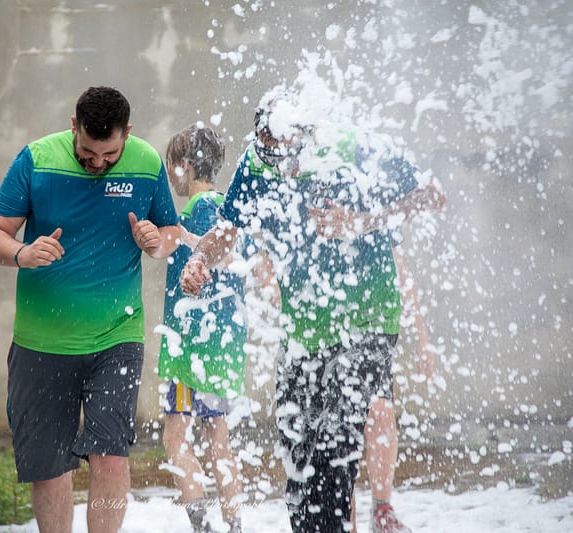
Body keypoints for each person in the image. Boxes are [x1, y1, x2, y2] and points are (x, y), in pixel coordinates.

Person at [180, 88, 445, 532]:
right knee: (298, 448)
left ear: (308, 134)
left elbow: (432, 195)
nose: (284, 168)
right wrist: (199, 258)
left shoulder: (353, 146)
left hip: (366, 320)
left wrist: (361, 221)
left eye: (290, 157)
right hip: (304, 330)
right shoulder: (255, 164)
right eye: (272, 155)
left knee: (334, 450)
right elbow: (228, 228)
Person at [0, 86, 181, 533]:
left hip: (117, 337)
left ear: (128, 134)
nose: (97, 162)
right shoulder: (36, 159)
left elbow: (171, 230)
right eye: (88, 151)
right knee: (51, 468)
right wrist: (21, 253)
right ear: (74, 126)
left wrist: (157, 243)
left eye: (108, 154)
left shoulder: (147, 163)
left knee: (110, 458)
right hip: (41, 342)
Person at [158, 124, 279, 533]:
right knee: (218, 439)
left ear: (187, 167)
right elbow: (253, 267)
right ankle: (234, 525)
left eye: (173, 166)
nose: (171, 174)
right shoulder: (230, 209)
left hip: (191, 345)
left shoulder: (198, 212)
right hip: (223, 345)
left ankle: (201, 526)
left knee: (175, 436)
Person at [354, 248, 440, 533]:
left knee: (380, 410)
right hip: (334, 320)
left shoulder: (378, 208)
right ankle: (344, 518)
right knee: (340, 427)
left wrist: (422, 336)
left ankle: (381, 508)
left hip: (377, 322)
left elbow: (401, 267)